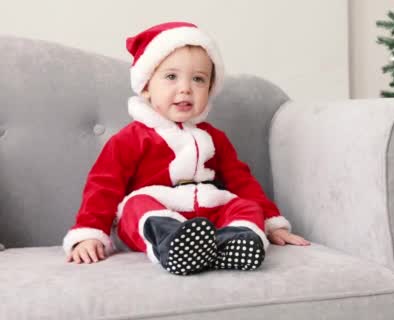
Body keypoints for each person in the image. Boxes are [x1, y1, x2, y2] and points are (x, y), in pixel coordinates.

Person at [63, 21, 309, 275]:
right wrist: (90, 233)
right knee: (137, 205)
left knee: (245, 206)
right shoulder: (129, 139)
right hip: (156, 210)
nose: (185, 88)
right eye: (171, 77)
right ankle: (170, 243)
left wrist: (272, 223)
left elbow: (242, 181)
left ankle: (233, 242)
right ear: (146, 86)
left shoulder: (214, 138)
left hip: (208, 213)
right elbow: (103, 187)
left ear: (210, 89)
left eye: (198, 79)